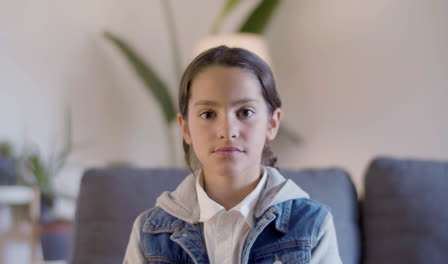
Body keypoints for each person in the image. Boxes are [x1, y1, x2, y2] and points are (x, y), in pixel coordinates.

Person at [123, 45, 342, 264]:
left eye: (245, 112)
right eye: (208, 114)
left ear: (272, 123)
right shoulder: (149, 232)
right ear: (186, 128)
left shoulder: (312, 225)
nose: (227, 131)